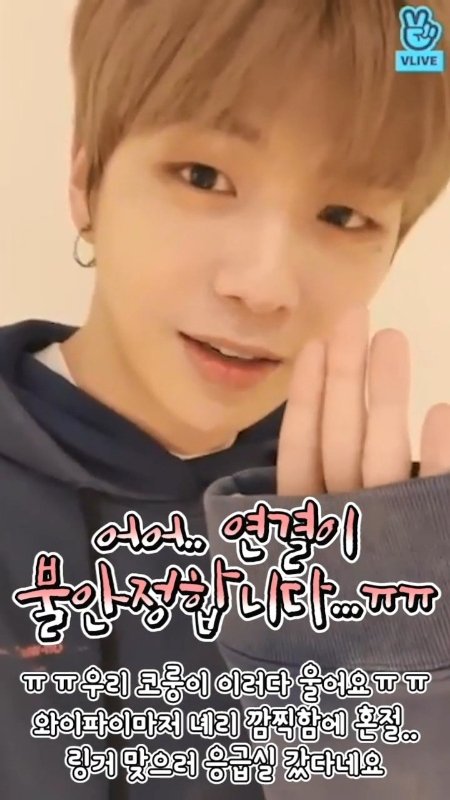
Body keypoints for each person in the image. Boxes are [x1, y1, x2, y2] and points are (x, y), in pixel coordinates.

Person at [1, 1, 449, 799]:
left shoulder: (401, 554)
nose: (264, 286)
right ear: (85, 180)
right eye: (204, 177)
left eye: (343, 216)